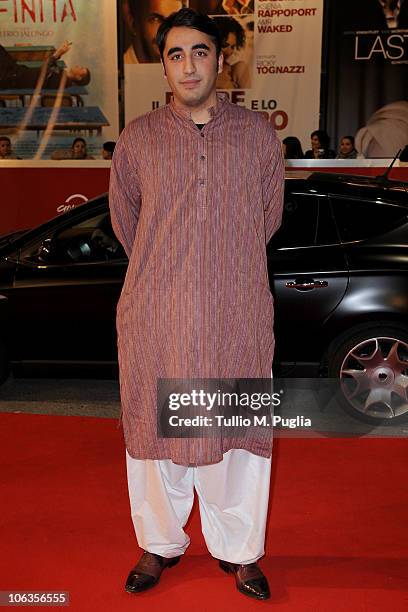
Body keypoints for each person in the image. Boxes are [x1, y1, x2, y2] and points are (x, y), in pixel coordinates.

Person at [109, 7, 284, 602]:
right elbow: (127, 225)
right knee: (158, 443)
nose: (189, 65)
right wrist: (174, 278)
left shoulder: (259, 137)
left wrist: (220, 274)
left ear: (220, 58)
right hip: (157, 318)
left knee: (234, 441)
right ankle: (159, 543)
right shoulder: (138, 139)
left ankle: (240, 551)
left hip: (236, 317)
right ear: (163, 65)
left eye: (200, 52)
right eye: (176, 54)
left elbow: (268, 218)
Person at [0, 42, 90, 90]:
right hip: (16, 71)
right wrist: (58, 54)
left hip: (12, 77)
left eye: (81, 68)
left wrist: (57, 54)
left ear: (78, 77)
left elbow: (44, 71)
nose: (79, 66)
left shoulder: (63, 82)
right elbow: (50, 67)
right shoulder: (63, 76)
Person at [215, 16, 251, 89]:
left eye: (232, 47)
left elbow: (250, 98)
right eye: (224, 45)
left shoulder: (238, 69)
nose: (229, 52)